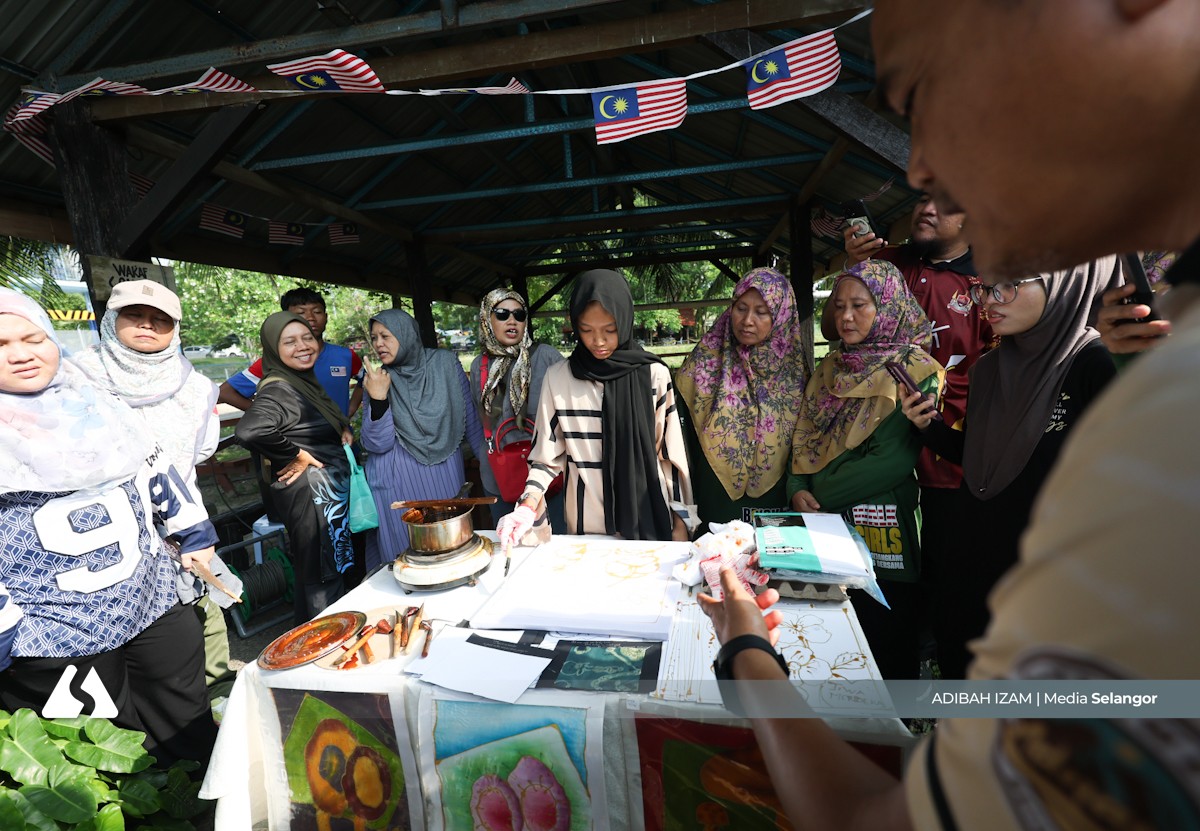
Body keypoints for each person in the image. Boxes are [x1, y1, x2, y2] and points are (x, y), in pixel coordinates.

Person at [703, 1, 1200, 827]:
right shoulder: (1146, 380)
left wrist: (745, 643)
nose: (923, 166)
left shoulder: (1156, 414)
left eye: (930, 86)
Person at [0, 288, 217, 767]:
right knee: (102, 757)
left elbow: (153, 467)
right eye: (0, 345)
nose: (20, 355)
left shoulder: (93, 396)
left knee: (188, 726)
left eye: (32, 337)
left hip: (150, 599)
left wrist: (194, 534)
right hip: (53, 632)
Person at [900, 260, 1118, 679]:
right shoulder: (989, 370)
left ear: (1063, 286)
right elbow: (986, 457)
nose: (989, 301)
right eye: (986, 288)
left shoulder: (1096, 366)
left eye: (1010, 286)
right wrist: (932, 427)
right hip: (971, 565)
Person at [71, 280, 241, 701]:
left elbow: (201, 451)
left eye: (160, 320)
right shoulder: (75, 378)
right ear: (111, 319)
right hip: (98, 538)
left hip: (181, 528)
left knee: (199, 619)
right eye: (135, 315)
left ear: (175, 329)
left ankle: (211, 714)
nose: (147, 325)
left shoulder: (197, 387)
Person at [788, 259, 942, 680]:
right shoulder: (829, 369)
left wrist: (816, 490)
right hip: (825, 523)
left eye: (860, 305)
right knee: (834, 636)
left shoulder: (916, 371)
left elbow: (891, 460)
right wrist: (795, 484)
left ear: (888, 306)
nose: (846, 316)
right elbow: (805, 434)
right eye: (838, 306)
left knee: (887, 634)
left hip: (883, 520)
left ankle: (898, 737)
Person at [497, 269, 698, 545]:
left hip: (649, 519)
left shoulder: (654, 375)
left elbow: (669, 457)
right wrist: (527, 505)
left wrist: (681, 520)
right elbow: (546, 457)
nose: (599, 341)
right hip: (585, 526)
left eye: (610, 330)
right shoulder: (559, 378)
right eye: (587, 330)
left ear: (626, 321)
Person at [235, 312, 355, 623]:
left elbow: (310, 421)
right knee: (322, 578)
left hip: (322, 497)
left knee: (316, 573)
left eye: (307, 338)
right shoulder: (280, 388)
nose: (302, 346)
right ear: (274, 349)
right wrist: (294, 454)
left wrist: (340, 429)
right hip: (313, 498)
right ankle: (326, 646)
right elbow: (251, 430)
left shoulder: (301, 381)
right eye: (289, 342)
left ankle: (311, 640)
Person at [675, 267, 807, 528]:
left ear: (780, 316)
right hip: (713, 496)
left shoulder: (796, 374)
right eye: (741, 308)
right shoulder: (702, 366)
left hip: (778, 499)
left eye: (761, 312)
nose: (747, 320)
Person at [360, 308, 484, 569]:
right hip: (396, 481)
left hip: (444, 472)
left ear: (406, 335)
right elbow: (377, 443)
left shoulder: (445, 364)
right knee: (406, 558)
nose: (378, 344)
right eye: (374, 338)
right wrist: (378, 398)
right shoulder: (377, 378)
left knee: (449, 547)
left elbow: (469, 418)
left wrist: (488, 464)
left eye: (385, 336)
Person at [468, 288, 566, 530]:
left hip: (547, 476)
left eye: (519, 315)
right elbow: (481, 420)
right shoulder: (479, 366)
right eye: (502, 314)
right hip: (500, 478)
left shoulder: (546, 357)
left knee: (556, 550)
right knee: (510, 550)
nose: (512, 320)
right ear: (486, 320)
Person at [219, 287, 363, 418]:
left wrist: (350, 409)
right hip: (295, 445)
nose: (311, 318)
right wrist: (267, 416)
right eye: (301, 313)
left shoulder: (346, 356)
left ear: (326, 317)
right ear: (286, 319)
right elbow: (225, 392)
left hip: (342, 441)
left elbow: (367, 381)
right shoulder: (273, 362)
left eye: (317, 312)